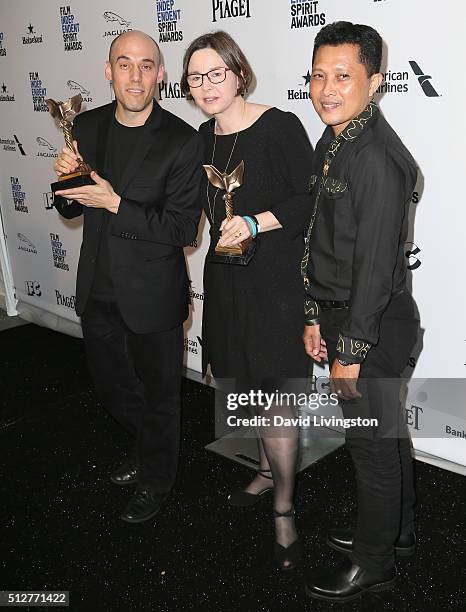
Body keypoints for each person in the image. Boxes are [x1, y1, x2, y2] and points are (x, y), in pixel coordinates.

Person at [52, 31, 203, 523]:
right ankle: (151, 446)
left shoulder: (183, 140)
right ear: (107, 70)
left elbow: (182, 229)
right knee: (112, 387)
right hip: (97, 287)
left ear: (161, 74)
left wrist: (115, 202)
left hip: (153, 296)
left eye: (146, 65)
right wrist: (68, 183)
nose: (135, 76)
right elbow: (69, 205)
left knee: (160, 395)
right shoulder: (87, 126)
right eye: (124, 64)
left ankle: (157, 477)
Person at [180, 31, 313, 570]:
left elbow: (311, 200)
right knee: (248, 387)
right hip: (228, 283)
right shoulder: (198, 142)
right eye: (195, 77)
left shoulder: (280, 126)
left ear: (238, 72)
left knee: (278, 398)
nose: (207, 86)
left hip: (277, 286)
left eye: (217, 73)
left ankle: (285, 509)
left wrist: (257, 220)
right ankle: (263, 468)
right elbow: (187, 214)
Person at [301, 22, 419, 601]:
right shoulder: (335, 138)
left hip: (370, 325)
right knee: (387, 435)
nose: (327, 88)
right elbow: (319, 240)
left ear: (373, 82)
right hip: (347, 316)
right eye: (319, 74)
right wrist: (311, 314)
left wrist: (349, 352)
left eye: (342, 76)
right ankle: (397, 532)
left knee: (371, 448)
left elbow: (373, 270)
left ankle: (376, 563)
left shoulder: (373, 158)